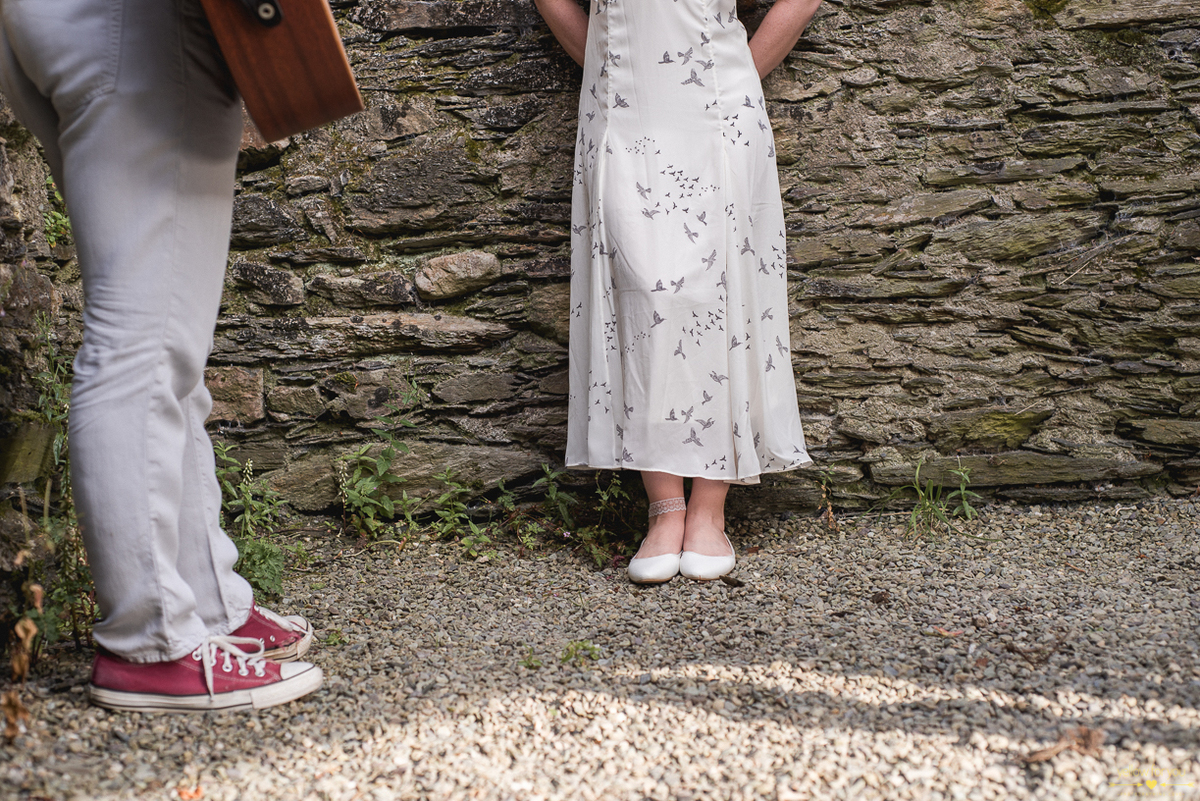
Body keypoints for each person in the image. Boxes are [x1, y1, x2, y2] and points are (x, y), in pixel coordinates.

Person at [0, 0, 322, 711]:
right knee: (139, 342)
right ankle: (152, 643)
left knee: (160, 335)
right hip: (136, 23)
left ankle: (207, 605)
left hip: (49, 23)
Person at [536, 0, 823, 583]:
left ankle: (709, 509)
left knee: (721, 293)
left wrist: (730, 72)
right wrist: (605, 65)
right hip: (623, 107)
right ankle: (664, 508)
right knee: (641, 292)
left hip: (717, 102)